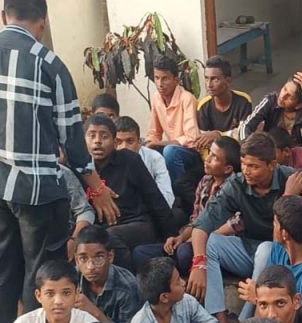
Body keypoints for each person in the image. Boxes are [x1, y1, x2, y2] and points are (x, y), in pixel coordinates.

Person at [0, 0, 118, 323]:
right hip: (37, 188)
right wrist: (95, 185)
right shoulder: (50, 64)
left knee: (2, 265)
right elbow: (72, 136)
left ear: (4, 16)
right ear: (43, 22)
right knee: (41, 269)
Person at [183, 133, 294, 323]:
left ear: (272, 165)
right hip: (247, 250)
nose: (246, 171)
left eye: (254, 166)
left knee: (266, 249)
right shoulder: (236, 184)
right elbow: (202, 225)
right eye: (243, 164)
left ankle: (245, 322)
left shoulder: (290, 178)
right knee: (211, 242)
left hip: (280, 256)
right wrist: (199, 263)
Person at [85, 114, 182, 270]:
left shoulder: (129, 160)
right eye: (92, 136)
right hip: (103, 226)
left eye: (104, 136)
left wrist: (171, 235)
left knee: (110, 237)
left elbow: (154, 198)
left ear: (114, 141)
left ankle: (128, 281)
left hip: (138, 223)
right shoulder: (83, 170)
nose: (97, 141)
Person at [134, 136, 241, 275]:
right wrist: (180, 238)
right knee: (140, 253)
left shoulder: (236, 188)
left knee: (184, 254)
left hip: (216, 243)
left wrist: (196, 239)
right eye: (209, 153)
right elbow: (196, 219)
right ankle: (170, 268)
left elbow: (233, 226)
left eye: (214, 157)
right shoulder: (205, 181)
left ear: (228, 169)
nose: (207, 159)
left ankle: (176, 270)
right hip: (194, 239)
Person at [238, 195, 302, 317]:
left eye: (275, 223)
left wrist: (260, 299)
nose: (273, 226)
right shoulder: (278, 250)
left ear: (284, 233)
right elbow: (260, 318)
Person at [72, 225, 144, 323]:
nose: (90, 266)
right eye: (83, 258)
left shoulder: (127, 287)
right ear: (77, 260)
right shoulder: (71, 279)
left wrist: (95, 313)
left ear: (110, 257)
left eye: (98, 258)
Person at [146, 56, 202, 184]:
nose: (160, 84)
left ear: (176, 80)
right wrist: (149, 144)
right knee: (143, 150)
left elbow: (192, 139)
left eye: (165, 78)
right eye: (157, 78)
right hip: (170, 148)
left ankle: (179, 191)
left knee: (170, 151)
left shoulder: (187, 99)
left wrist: (160, 143)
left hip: (191, 152)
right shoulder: (156, 98)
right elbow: (154, 132)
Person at [240, 72, 302, 150]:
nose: (282, 96)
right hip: (271, 152)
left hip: (296, 153)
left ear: (299, 105)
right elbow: (247, 125)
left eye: (290, 97)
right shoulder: (271, 101)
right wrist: (246, 146)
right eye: (285, 89)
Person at [114, 115, 175, 207]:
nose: (124, 147)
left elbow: (167, 197)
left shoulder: (154, 158)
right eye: (118, 142)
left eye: (130, 141)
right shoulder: (107, 160)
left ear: (139, 142)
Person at [196, 56, 253, 148]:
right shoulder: (203, 106)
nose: (209, 85)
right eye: (206, 78)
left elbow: (244, 135)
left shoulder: (243, 101)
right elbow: (204, 141)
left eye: (215, 79)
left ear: (228, 80)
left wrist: (219, 135)